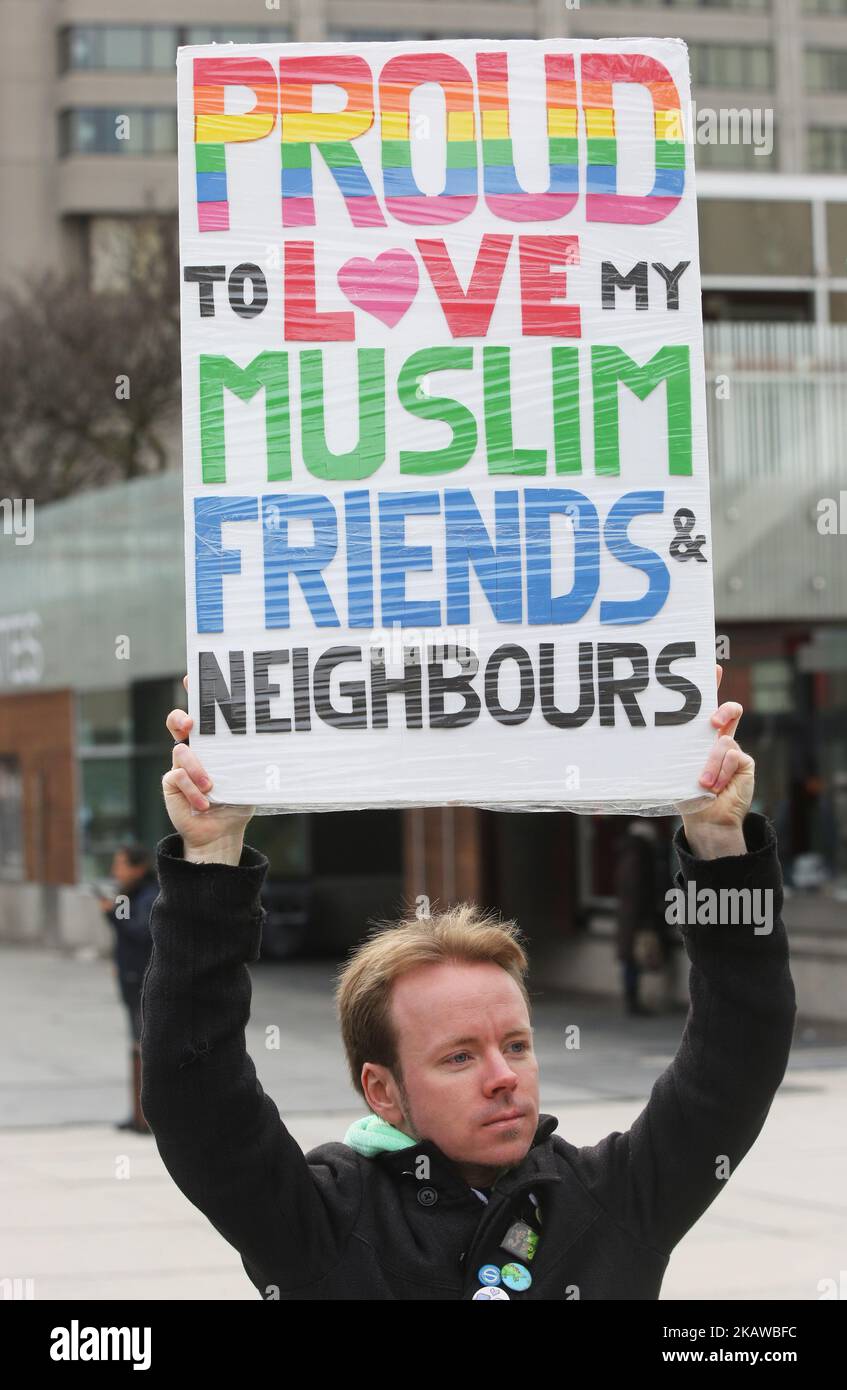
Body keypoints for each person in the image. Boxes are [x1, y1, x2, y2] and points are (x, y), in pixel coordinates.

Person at [140, 666, 796, 1299]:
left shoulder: (609, 1197)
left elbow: (737, 1048)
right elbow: (194, 1093)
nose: (503, 1075)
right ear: (382, 1090)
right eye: (459, 1056)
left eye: (514, 1045)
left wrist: (718, 845)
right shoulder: (321, 1219)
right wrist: (211, 855)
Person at [100, 844, 157, 1135]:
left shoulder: (149, 894)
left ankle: (147, 1116)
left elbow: (140, 932)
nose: (116, 871)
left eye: (121, 864)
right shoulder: (132, 894)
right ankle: (138, 1113)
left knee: (145, 1046)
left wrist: (112, 913)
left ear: (138, 868)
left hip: (143, 980)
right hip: (131, 977)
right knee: (137, 1045)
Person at [614, 818, 671, 1016]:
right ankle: (632, 1001)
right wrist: (645, 919)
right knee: (634, 960)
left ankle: (633, 999)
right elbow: (638, 889)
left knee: (632, 960)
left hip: (630, 918)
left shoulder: (629, 852)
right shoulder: (640, 855)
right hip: (636, 919)